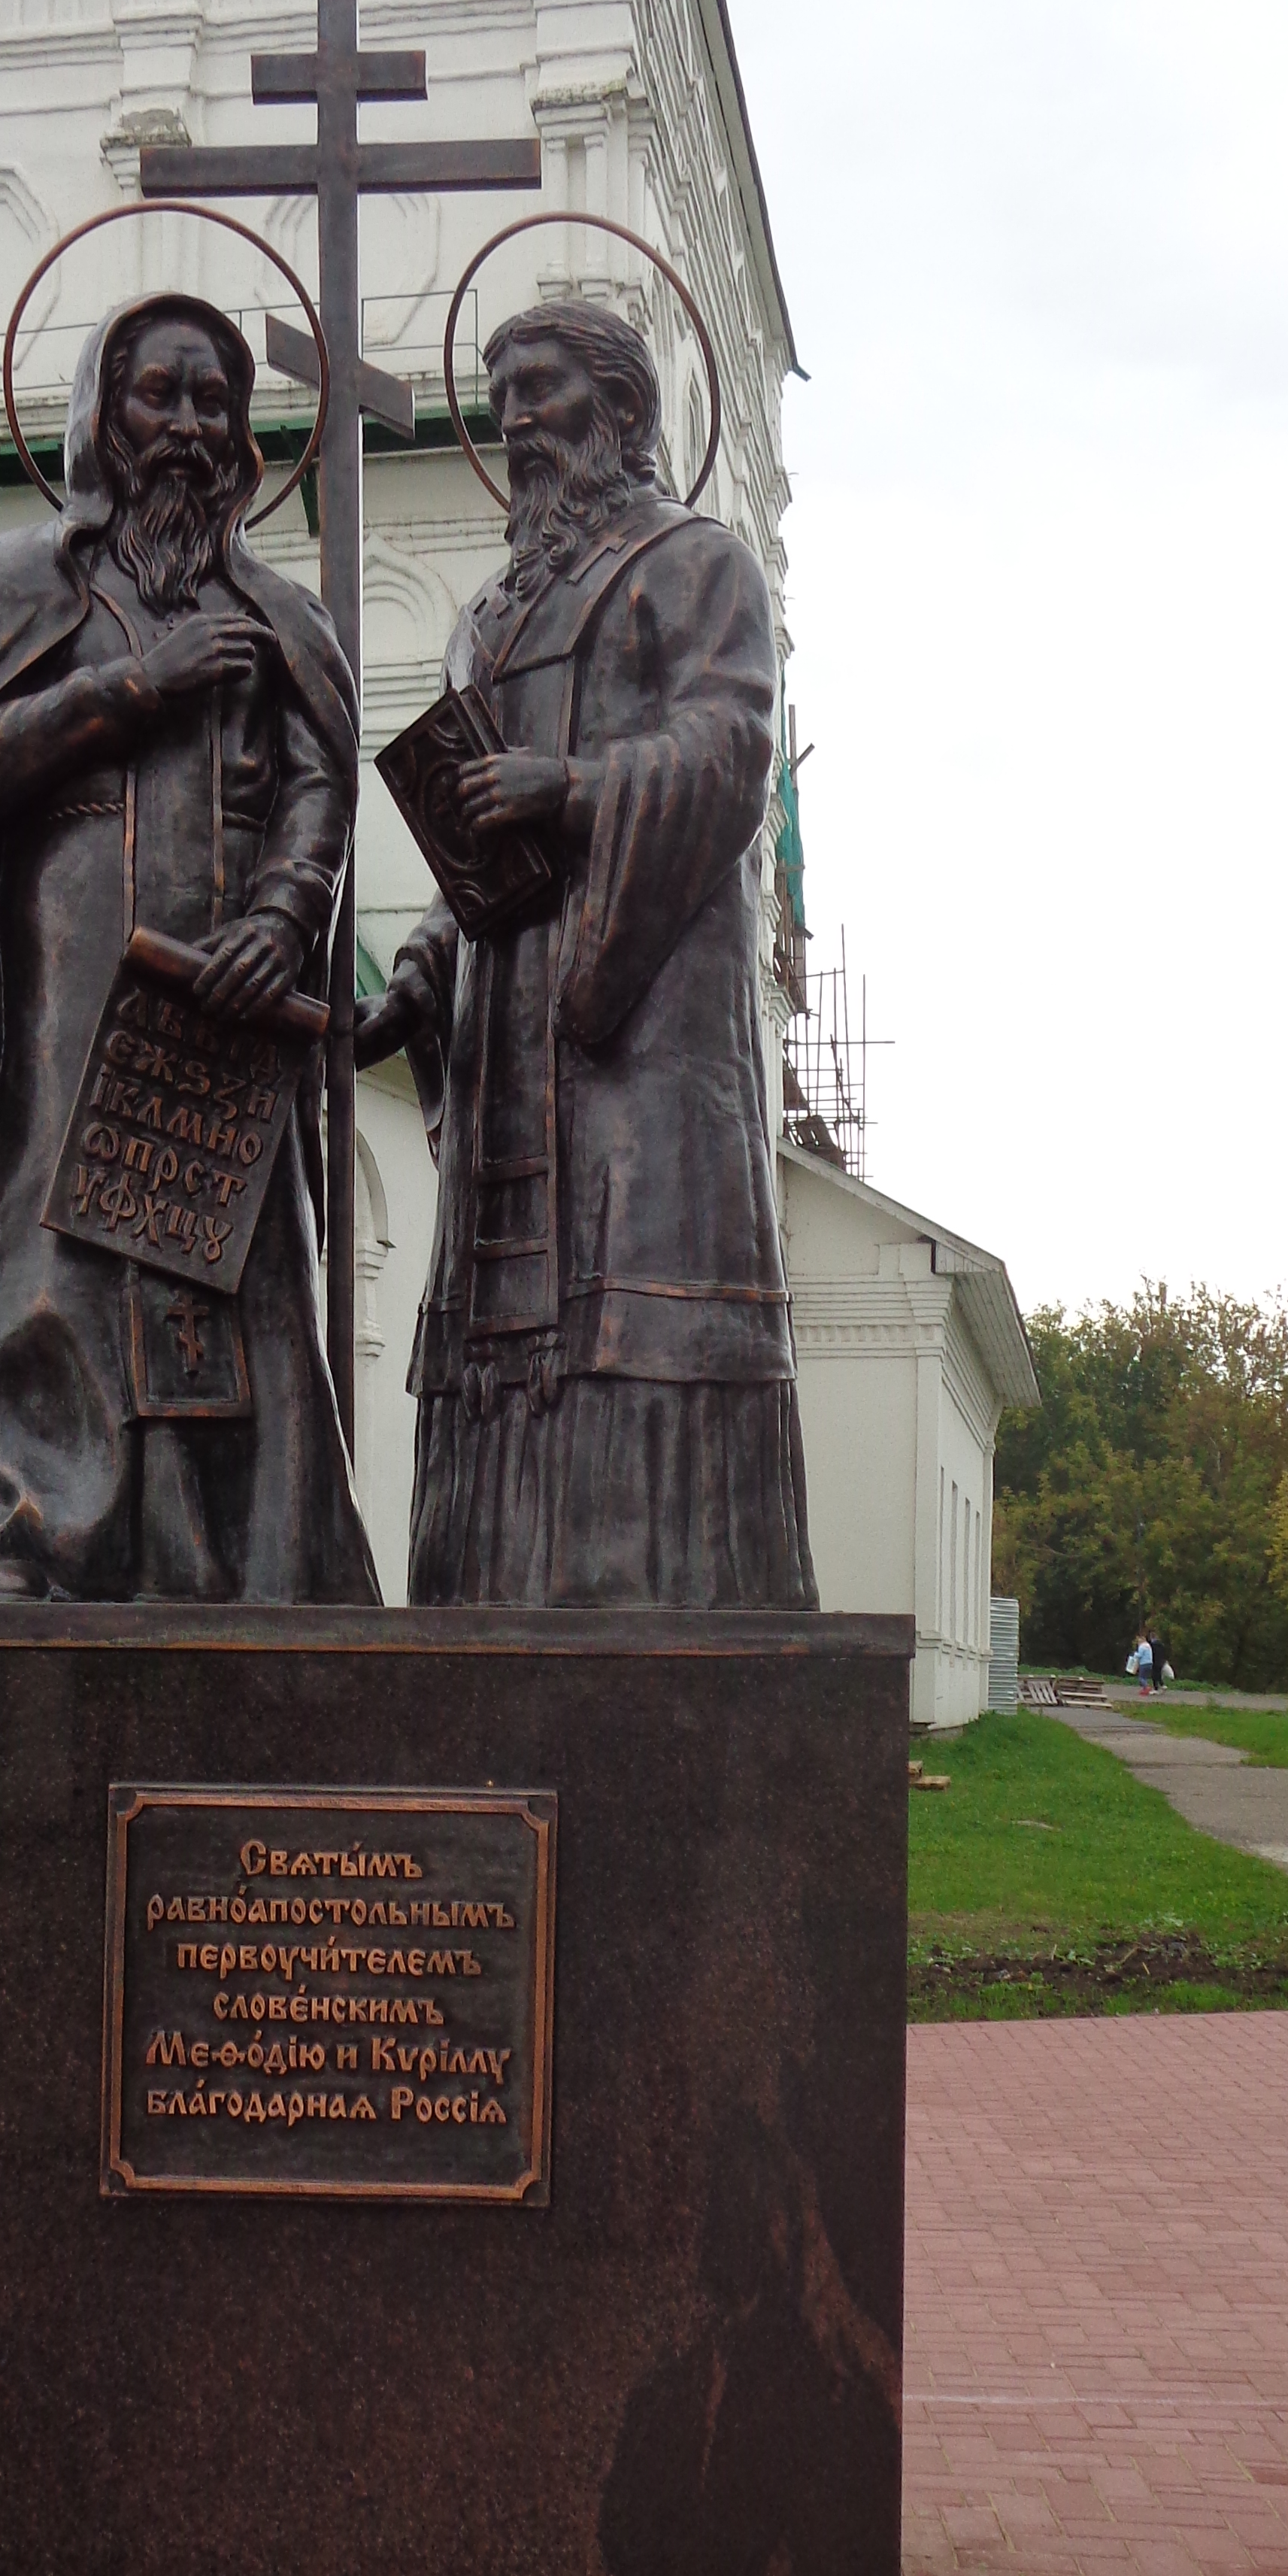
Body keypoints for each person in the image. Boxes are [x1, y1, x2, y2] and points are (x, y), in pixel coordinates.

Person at [0, 294, 379, 1606]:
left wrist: (285, 920)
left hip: (232, 997)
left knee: (243, 1282)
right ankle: (27, 1542)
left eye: (212, 403)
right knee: (54, 1265)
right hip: (70, 995)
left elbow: (320, 785)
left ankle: (250, 1564)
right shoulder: (18, 584)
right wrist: (141, 686)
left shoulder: (284, 616)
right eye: (157, 396)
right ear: (98, 417)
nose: (186, 427)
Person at [355, 298, 815, 1609]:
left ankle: (670, 1615)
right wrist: (418, 975)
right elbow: (475, 851)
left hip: (645, 1028)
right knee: (506, 1339)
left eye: (541, 386)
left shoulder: (695, 563)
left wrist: (571, 785)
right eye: (500, 391)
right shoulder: (484, 618)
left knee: (641, 1315)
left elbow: (730, 751)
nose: (515, 418)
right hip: (508, 1048)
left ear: (621, 408)